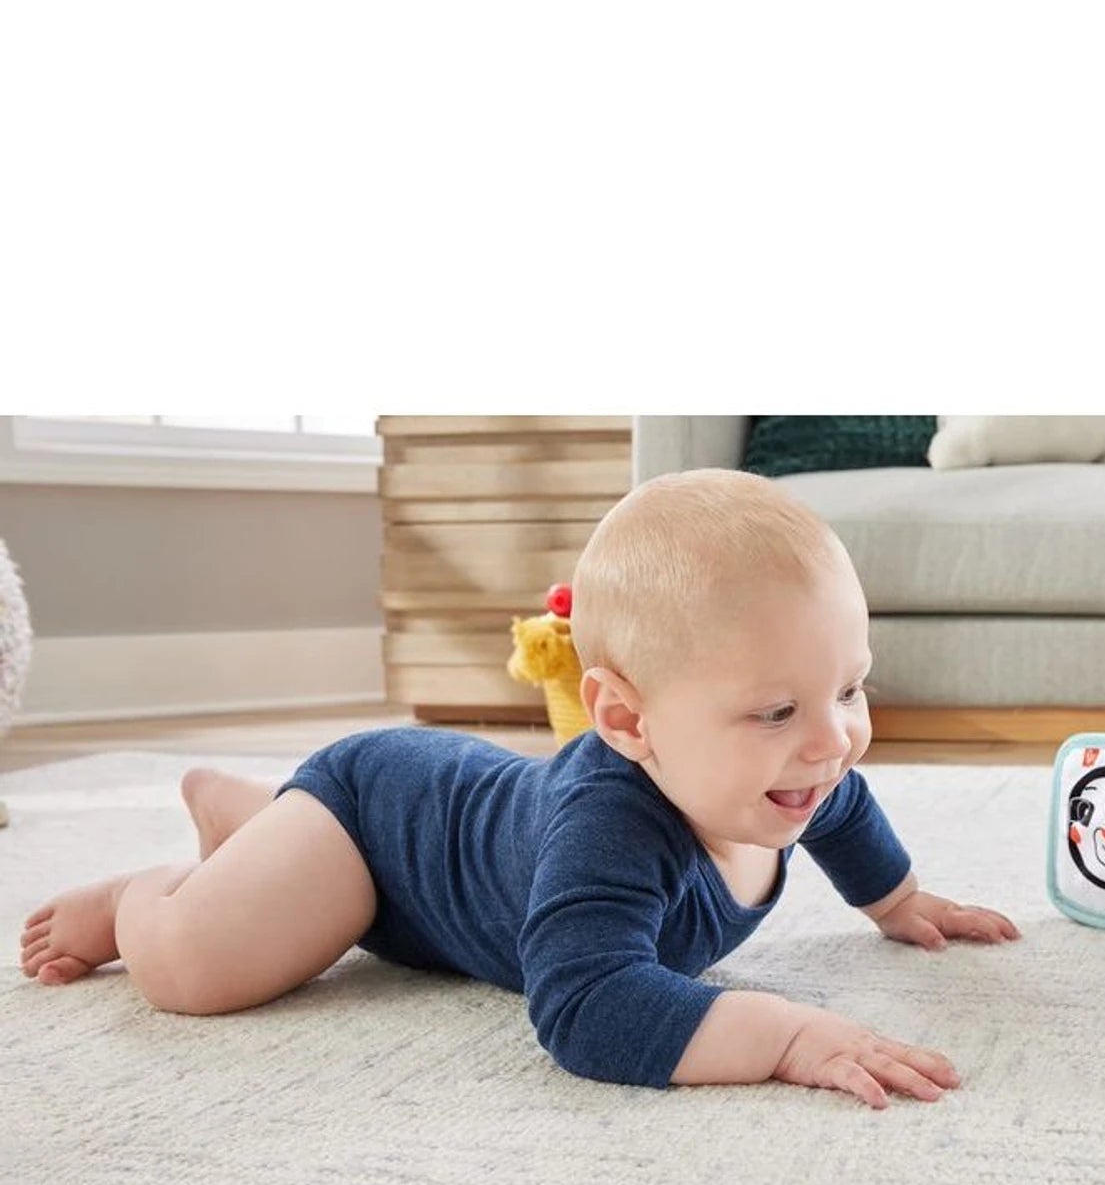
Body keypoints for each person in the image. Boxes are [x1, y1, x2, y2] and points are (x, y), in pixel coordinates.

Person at [18, 470, 1021, 1108]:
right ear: (626, 720)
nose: (835, 740)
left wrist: (898, 900)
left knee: (285, 894)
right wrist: (788, 1033)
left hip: (427, 841)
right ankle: (148, 893)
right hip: (374, 828)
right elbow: (584, 1007)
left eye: (849, 688)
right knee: (197, 971)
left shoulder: (796, 773)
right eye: (777, 710)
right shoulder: (609, 829)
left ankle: (253, 822)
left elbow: (844, 810)